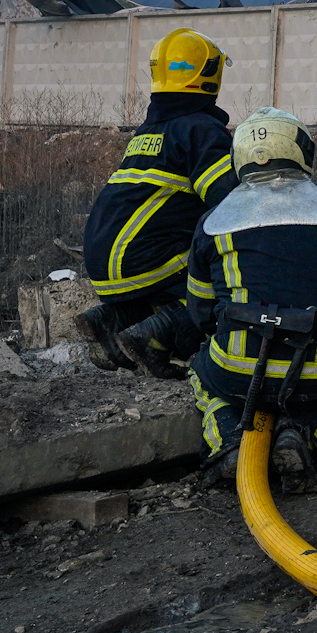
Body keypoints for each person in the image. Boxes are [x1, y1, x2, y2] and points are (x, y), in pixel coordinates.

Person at [186, 107, 317, 490]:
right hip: (316, 377)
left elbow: (200, 312)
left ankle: (227, 439)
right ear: (301, 152)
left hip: (238, 373)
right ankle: (302, 432)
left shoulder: (213, 220)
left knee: (200, 373)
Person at [78, 28, 237, 377]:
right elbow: (230, 204)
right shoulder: (201, 131)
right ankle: (157, 337)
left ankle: (112, 323)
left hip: (105, 258)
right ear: (210, 74)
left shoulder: (150, 131)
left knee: (167, 280)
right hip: (142, 256)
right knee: (224, 278)